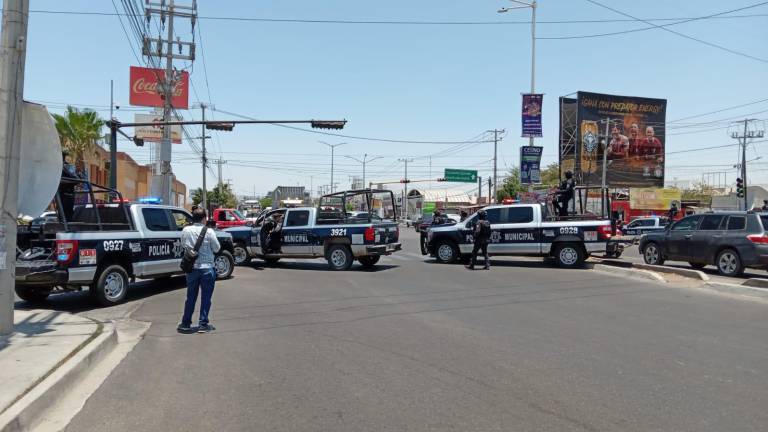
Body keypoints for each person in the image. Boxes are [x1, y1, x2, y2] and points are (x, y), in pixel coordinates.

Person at [178, 206, 221, 334]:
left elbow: (183, 244)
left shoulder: (186, 230)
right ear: (204, 219)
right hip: (207, 269)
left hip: (192, 268)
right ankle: (203, 324)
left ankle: (185, 323)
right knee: (206, 298)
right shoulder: (209, 231)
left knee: (190, 297)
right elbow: (217, 248)